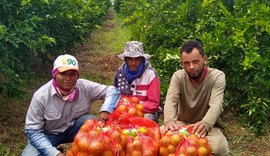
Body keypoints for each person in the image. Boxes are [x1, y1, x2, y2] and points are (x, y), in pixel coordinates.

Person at [22, 54, 120, 156]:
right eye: (63, 74)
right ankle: (53, 148)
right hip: (48, 135)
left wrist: (105, 111)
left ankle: (87, 150)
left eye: (72, 74)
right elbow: (33, 131)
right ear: (54, 74)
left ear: (78, 75)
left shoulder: (84, 86)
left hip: (74, 130)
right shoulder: (41, 96)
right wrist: (55, 153)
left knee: (91, 121)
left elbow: (112, 91)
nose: (68, 78)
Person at [163, 40, 229, 155]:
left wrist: (206, 123)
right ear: (182, 63)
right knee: (161, 137)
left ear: (205, 59)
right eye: (186, 63)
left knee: (219, 148)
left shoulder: (217, 76)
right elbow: (171, 99)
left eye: (195, 62)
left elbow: (216, 105)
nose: (191, 67)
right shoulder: (178, 76)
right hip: (182, 123)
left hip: (207, 126)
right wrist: (169, 121)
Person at [113, 41, 161, 121]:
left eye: (137, 59)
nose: (133, 63)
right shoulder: (120, 72)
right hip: (124, 111)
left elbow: (154, 103)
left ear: (142, 59)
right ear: (125, 59)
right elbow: (114, 95)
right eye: (130, 59)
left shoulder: (150, 74)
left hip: (144, 111)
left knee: (147, 119)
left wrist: (134, 108)